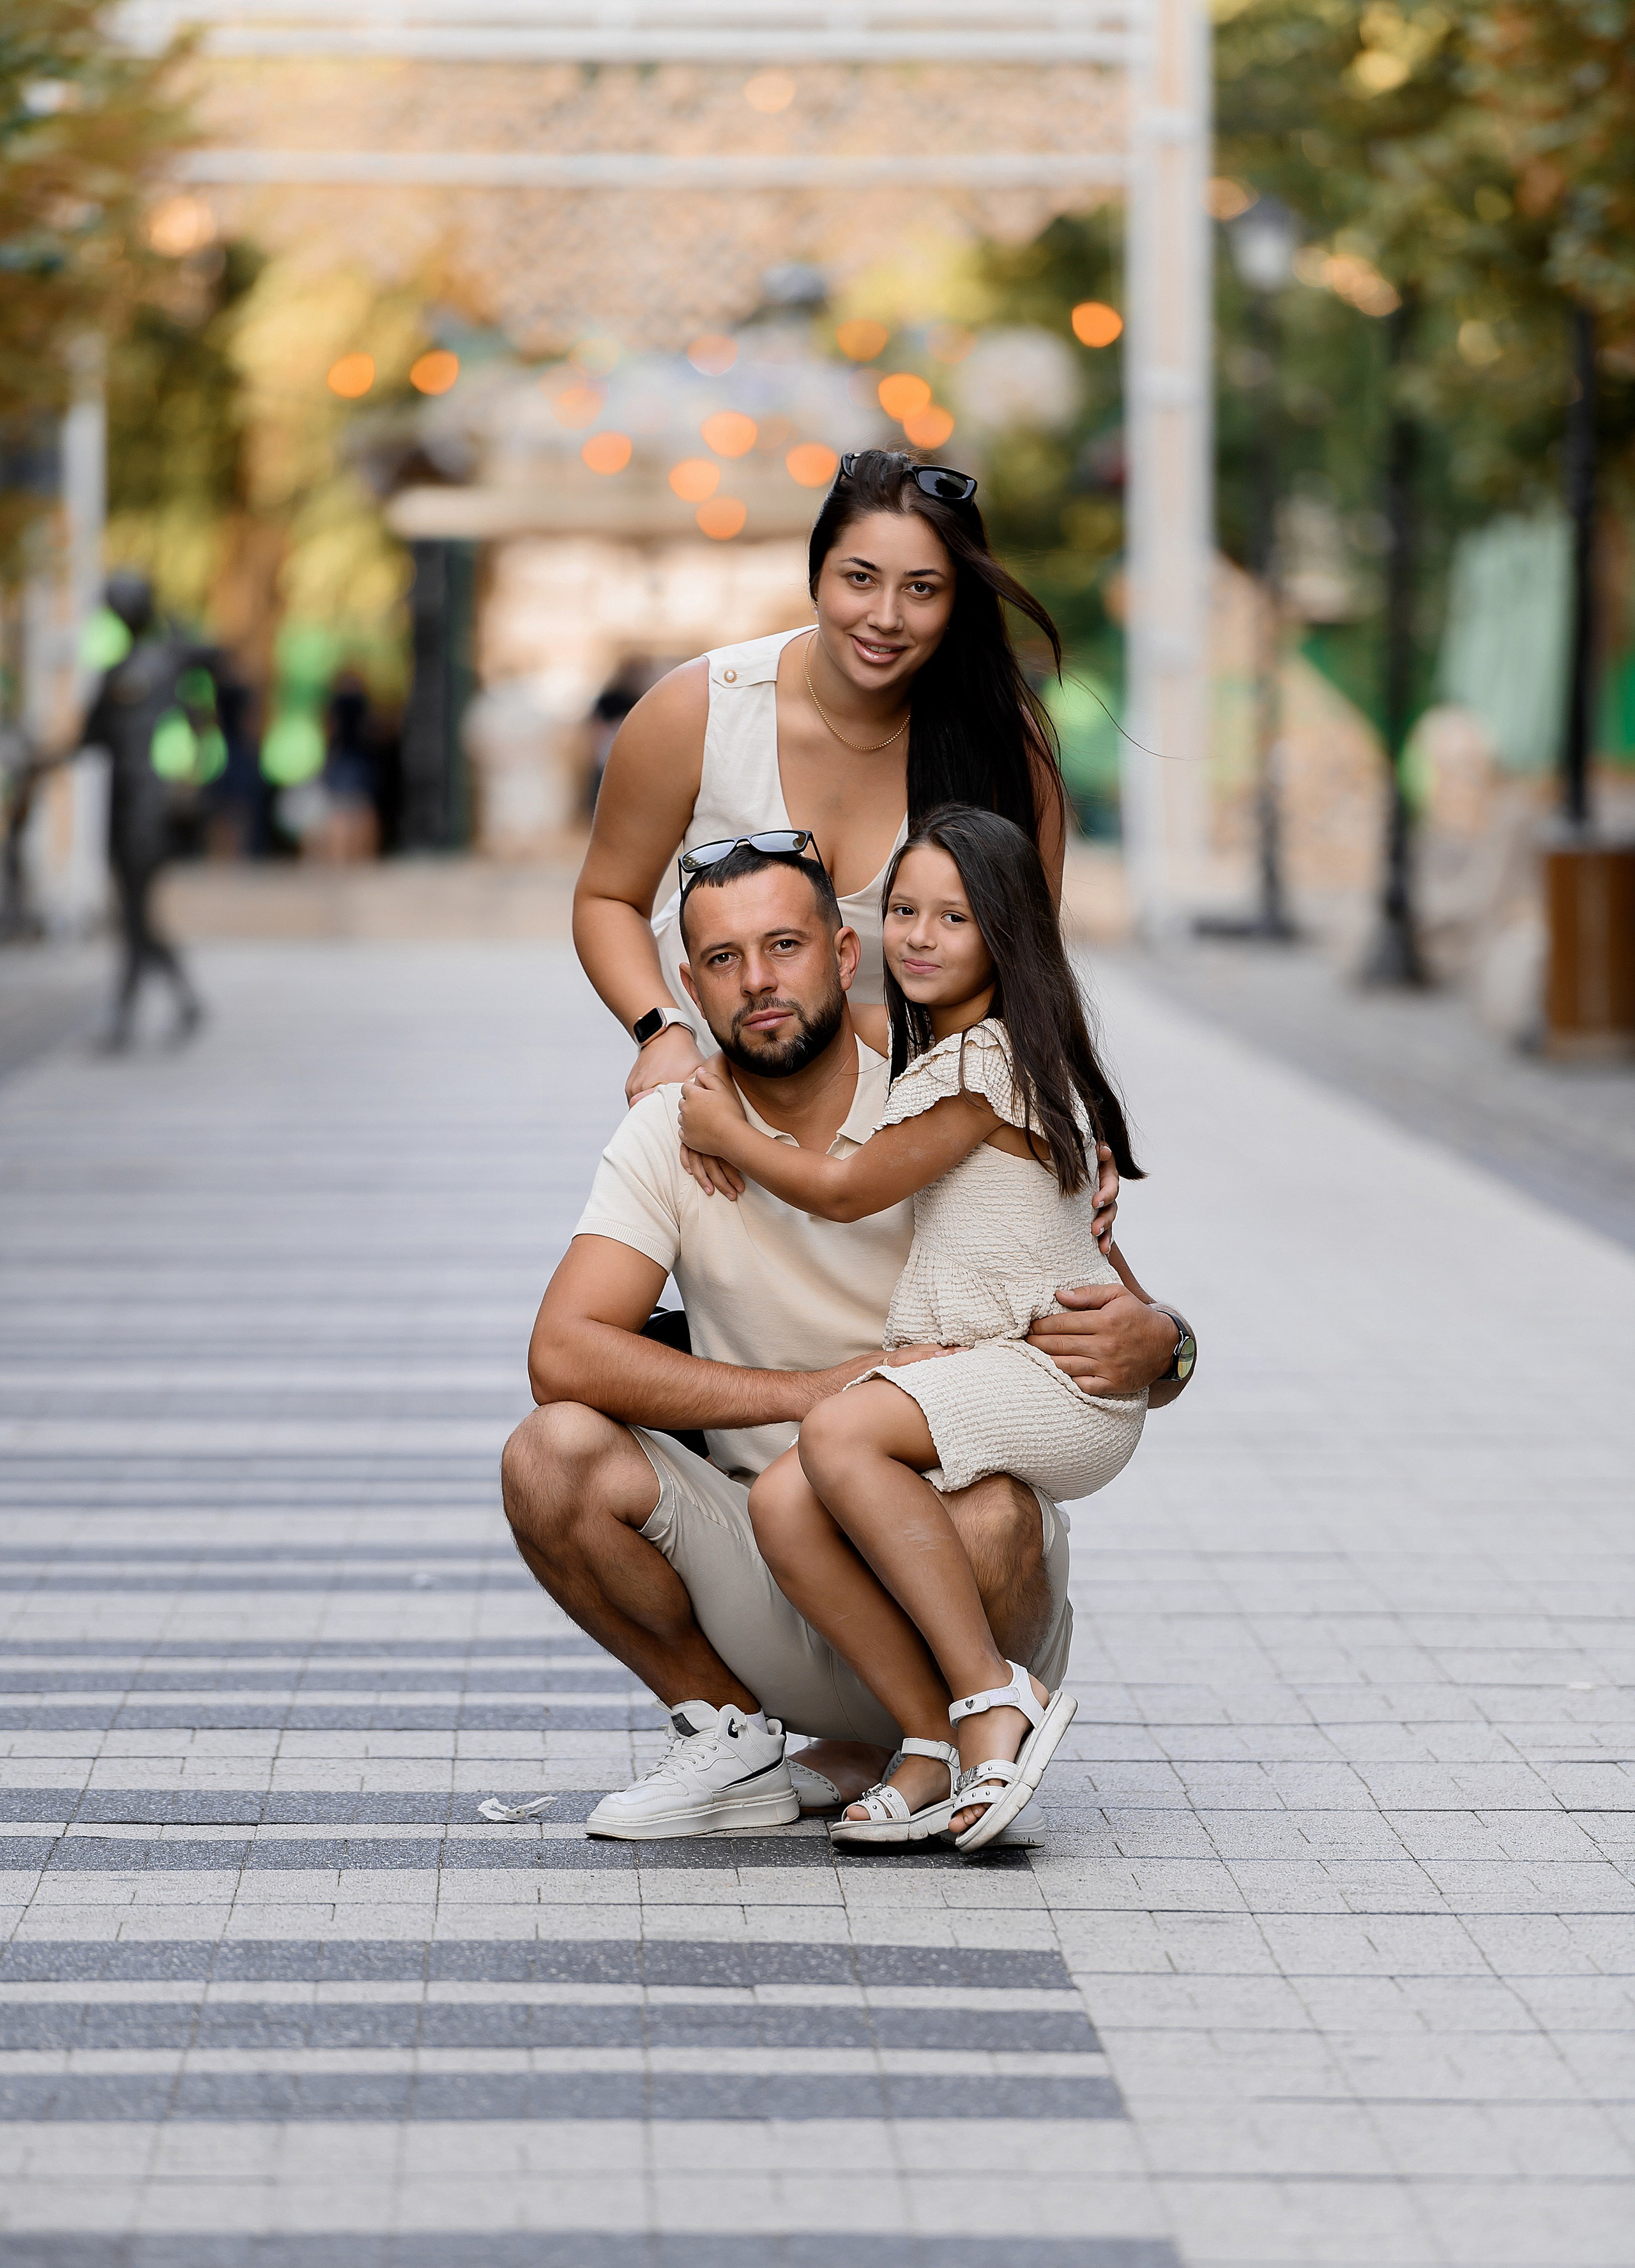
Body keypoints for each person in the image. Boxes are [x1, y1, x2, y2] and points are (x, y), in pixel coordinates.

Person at [501, 842, 1198, 1838]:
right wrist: (817, 1392)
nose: (759, 982)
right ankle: (737, 1738)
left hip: (958, 1568)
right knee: (550, 1451)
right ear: (690, 986)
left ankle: (977, 1717)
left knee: (995, 1506)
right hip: (773, 1548)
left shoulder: (941, 1095)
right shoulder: (676, 1126)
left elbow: (1116, 1321)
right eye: (726, 959)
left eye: (783, 946)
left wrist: (1167, 1343)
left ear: (841, 952)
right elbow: (561, 1356)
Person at [677, 806, 1149, 1851]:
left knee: (842, 1432)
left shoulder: (987, 1068)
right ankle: (929, 1744)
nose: (922, 936)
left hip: (1057, 1375)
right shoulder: (959, 1059)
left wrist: (725, 1132)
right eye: (903, 911)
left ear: (1007, 935)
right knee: (793, 1496)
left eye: (956, 917)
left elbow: (845, 1192)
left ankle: (991, 1699)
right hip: (1012, 1369)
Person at [572, 449, 1070, 1115]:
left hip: (924, 1127)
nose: (886, 616)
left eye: (922, 588)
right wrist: (661, 1030)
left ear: (957, 602)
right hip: (718, 1114)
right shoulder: (697, 711)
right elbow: (607, 898)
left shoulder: (1006, 753)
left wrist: (1062, 1130)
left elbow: (1029, 982)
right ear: (816, 577)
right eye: (859, 578)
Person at [78, 572, 206, 1049]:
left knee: (133, 915)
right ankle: (184, 999)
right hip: (127, 803)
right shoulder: (124, 671)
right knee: (135, 915)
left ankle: (125, 1020)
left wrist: (187, 782)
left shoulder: (166, 662)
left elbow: (199, 718)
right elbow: (88, 737)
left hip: (146, 808)